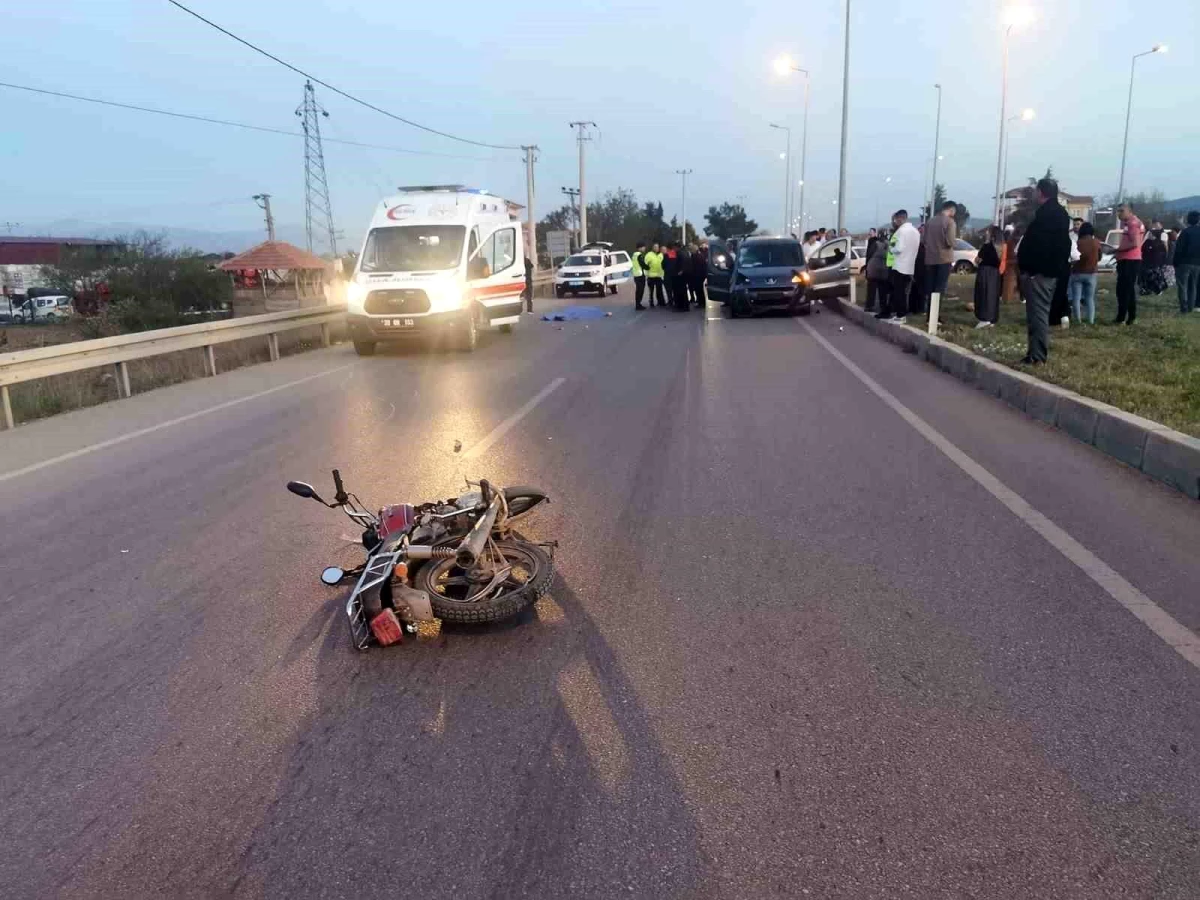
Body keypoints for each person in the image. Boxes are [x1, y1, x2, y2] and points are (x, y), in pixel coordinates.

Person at [1017, 177, 1071, 363]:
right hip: (1042, 272)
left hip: (1040, 273)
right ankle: (1033, 352)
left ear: (1041, 192)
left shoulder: (1049, 215)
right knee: (1034, 315)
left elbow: (1042, 246)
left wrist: (1032, 269)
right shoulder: (1055, 214)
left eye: (1035, 191)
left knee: (1038, 315)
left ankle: (1037, 356)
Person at [881, 209, 920, 323]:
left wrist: (890, 248)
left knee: (899, 292)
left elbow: (899, 248)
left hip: (899, 265)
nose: (895, 222)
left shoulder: (901, 231)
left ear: (900, 218)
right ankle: (901, 314)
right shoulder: (915, 231)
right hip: (910, 265)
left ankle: (901, 315)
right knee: (904, 291)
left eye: (896, 219)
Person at [1112, 202, 1145, 324]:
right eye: (1118, 211)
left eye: (1121, 211)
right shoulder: (1130, 223)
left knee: (1123, 290)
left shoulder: (1133, 223)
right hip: (1128, 259)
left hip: (1130, 260)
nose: (1119, 213)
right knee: (1128, 290)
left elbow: (1135, 243)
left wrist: (1118, 250)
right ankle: (1131, 317)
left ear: (1130, 211)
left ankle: (1122, 317)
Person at [922, 200, 957, 308]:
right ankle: (935, 315)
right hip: (944, 259)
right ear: (952, 210)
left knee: (931, 287)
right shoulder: (950, 222)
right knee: (940, 288)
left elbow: (923, 240)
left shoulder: (930, 222)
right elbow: (950, 242)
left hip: (930, 259)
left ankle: (929, 314)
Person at [972, 225, 1005, 328]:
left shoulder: (987, 246)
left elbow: (977, 259)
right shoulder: (1002, 246)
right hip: (996, 273)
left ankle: (984, 317)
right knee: (993, 295)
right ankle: (992, 318)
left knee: (984, 294)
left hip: (985, 272)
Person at [1068, 222, 1100, 324]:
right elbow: (1099, 257)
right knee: (1089, 298)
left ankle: (1078, 320)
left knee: (1076, 298)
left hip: (1077, 272)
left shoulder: (1078, 242)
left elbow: (1074, 257)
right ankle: (1090, 320)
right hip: (1091, 273)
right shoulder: (1096, 242)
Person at [1172, 211, 1200, 314]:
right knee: (1193, 286)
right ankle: (1191, 307)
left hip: (1184, 262)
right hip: (1197, 263)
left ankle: (1183, 307)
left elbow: (1179, 249)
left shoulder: (1185, 232)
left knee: (1182, 286)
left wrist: (1175, 262)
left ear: (1188, 220)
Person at [1139, 223, 1171, 295]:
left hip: (1155, 262)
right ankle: (1146, 289)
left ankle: (1158, 289)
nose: (1149, 234)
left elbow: (1163, 251)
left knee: (1156, 276)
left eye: (1151, 234)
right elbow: (1142, 249)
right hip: (1146, 261)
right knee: (1146, 276)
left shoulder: (1158, 243)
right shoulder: (1146, 242)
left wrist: (1164, 258)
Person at [865, 229, 890, 315]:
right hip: (884, 268)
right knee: (882, 290)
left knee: (872, 288)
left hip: (873, 268)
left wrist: (866, 267)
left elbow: (869, 255)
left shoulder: (875, 244)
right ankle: (882, 307)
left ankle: (869, 305)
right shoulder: (889, 244)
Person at [909, 224, 928, 316]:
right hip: (915, 269)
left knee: (922, 291)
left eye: (922, 231)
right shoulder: (915, 244)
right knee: (914, 290)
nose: (921, 233)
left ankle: (920, 309)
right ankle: (913, 308)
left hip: (924, 270)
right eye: (920, 231)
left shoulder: (926, 245)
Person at [1002, 225, 1022, 305]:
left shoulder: (1010, 241)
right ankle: (1010, 297)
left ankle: (1008, 297)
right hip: (1013, 262)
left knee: (1010, 281)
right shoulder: (1014, 241)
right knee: (1014, 281)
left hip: (1010, 262)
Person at [644, 243, 665, 308]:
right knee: (651, 291)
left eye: (657, 247)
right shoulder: (649, 255)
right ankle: (651, 302)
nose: (656, 248)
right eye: (655, 247)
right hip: (651, 276)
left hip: (659, 276)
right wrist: (646, 274)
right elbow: (645, 265)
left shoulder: (660, 255)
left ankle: (661, 302)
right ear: (652, 248)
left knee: (659, 290)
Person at [631, 241, 647, 310]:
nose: (644, 248)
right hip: (640, 275)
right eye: (643, 247)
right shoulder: (639, 255)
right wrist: (648, 267)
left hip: (636, 275)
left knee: (638, 290)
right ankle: (638, 305)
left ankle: (638, 304)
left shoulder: (634, 255)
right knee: (640, 290)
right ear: (640, 248)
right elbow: (642, 264)